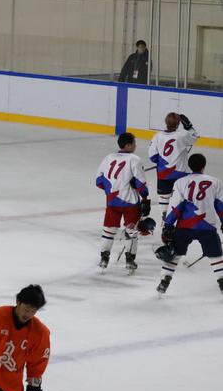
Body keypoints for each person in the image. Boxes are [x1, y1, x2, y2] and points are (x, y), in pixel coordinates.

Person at [156, 153, 223, 295]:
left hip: (184, 226)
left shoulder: (180, 182)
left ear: (189, 166)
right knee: (216, 256)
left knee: (174, 254)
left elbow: (175, 207)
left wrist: (168, 226)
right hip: (207, 227)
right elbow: (220, 205)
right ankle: (222, 282)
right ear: (204, 166)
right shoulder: (215, 182)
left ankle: (164, 281)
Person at [95, 132, 149, 272]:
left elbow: (99, 181)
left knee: (109, 230)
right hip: (130, 203)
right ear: (128, 145)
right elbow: (141, 184)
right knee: (131, 232)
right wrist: (145, 198)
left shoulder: (108, 158)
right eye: (134, 143)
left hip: (112, 202)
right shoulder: (135, 159)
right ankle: (130, 261)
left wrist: (112, 189)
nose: (136, 146)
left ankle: (103, 259)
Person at [148, 112, 198, 219]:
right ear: (178, 124)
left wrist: (162, 163)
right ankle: (181, 219)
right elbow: (195, 137)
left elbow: (152, 156)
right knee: (180, 197)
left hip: (163, 173)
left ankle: (164, 218)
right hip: (180, 174)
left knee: (164, 197)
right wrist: (189, 126)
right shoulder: (182, 135)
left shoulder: (157, 136)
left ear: (166, 122)